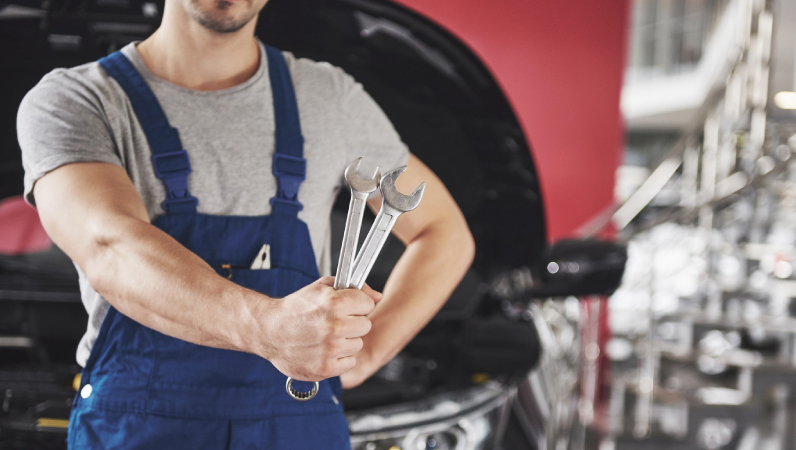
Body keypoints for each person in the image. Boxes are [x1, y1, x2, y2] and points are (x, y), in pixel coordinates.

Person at [16, 0, 474, 448]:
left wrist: (365, 353)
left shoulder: (330, 98)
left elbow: (443, 234)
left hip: (297, 425)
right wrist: (268, 329)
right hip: (137, 429)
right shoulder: (75, 100)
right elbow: (109, 247)